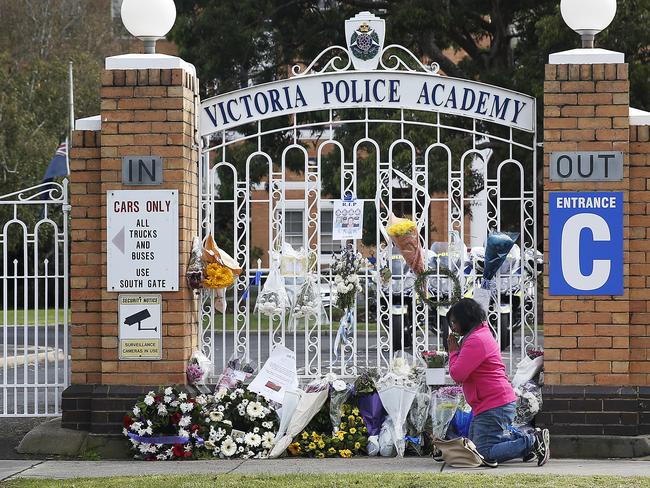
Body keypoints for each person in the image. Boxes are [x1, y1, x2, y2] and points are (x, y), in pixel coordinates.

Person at [447, 298, 550, 466]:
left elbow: (458, 374)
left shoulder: (476, 340)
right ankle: (525, 443)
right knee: (472, 446)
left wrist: (453, 352)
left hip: (493, 404)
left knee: (481, 453)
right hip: (492, 403)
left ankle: (532, 442)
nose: (453, 328)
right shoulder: (478, 335)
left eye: (454, 322)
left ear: (465, 319)